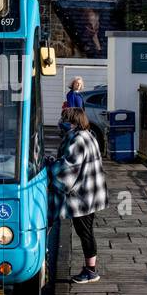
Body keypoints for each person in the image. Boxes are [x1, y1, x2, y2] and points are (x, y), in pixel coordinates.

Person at [50, 107, 108, 284]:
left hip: (82, 196)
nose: (61, 123)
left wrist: (50, 169)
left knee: (85, 232)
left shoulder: (77, 140)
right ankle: (90, 269)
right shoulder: (89, 135)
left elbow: (69, 168)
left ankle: (91, 271)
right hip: (92, 192)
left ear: (73, 122)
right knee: (86, 231)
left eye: (65, 120)